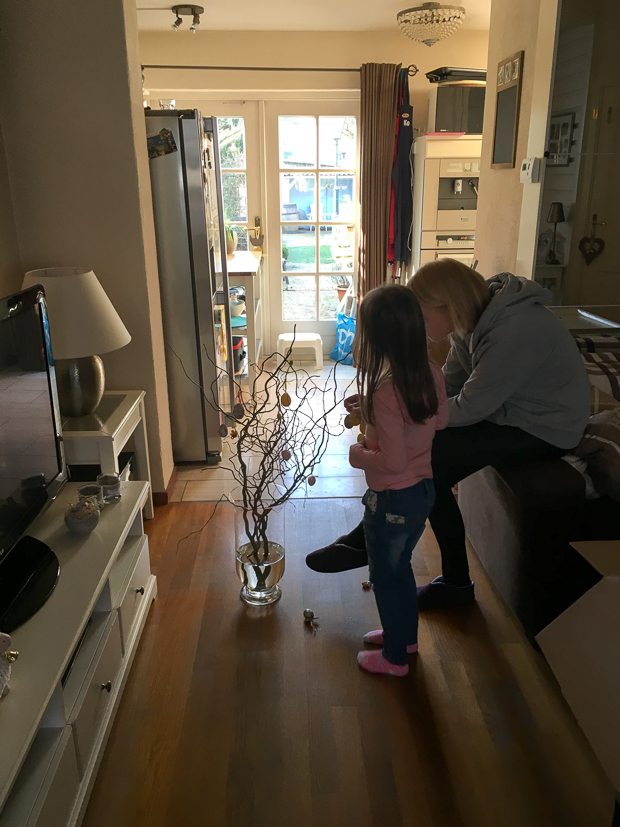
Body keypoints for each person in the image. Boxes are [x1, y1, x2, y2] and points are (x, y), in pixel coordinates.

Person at [307, 259, 591, 612]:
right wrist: (387, 401)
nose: (420, 327)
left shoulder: (515, 330)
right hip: (508, 414)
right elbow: (448, 388)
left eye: (423, 317)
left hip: (546, 428)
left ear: (448, 305)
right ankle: (374, 544)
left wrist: (393, 412)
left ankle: (406, 560)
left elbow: (469, 407)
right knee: (427, 456)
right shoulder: (469, 322)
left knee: (432, 463)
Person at [348, 284, 448, 677]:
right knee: (401, 569)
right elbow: (439, 420)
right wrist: (372, 411)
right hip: (421, 492)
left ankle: (394, 659)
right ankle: (404, 638)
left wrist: (358, 454)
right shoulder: (432, 375)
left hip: (392, 500)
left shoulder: (386, 392)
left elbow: (392, 461)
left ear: (375, 338)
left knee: (386, 578)